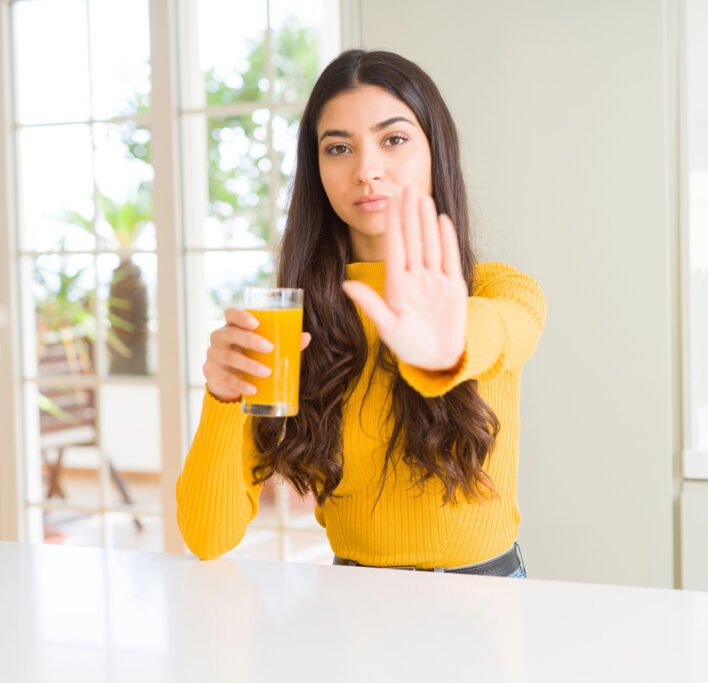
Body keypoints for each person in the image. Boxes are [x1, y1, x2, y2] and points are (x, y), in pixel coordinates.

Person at [176, 49, 546, 578]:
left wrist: (446, 348)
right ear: (318, 169)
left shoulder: (496, 290)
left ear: (435, 151)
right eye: (339, 147)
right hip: (350, 604)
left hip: (486, 602)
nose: (366, 170)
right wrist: (223, 398)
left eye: (393, 139)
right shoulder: (290, 324)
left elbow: (511, 329)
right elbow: (207, 537)